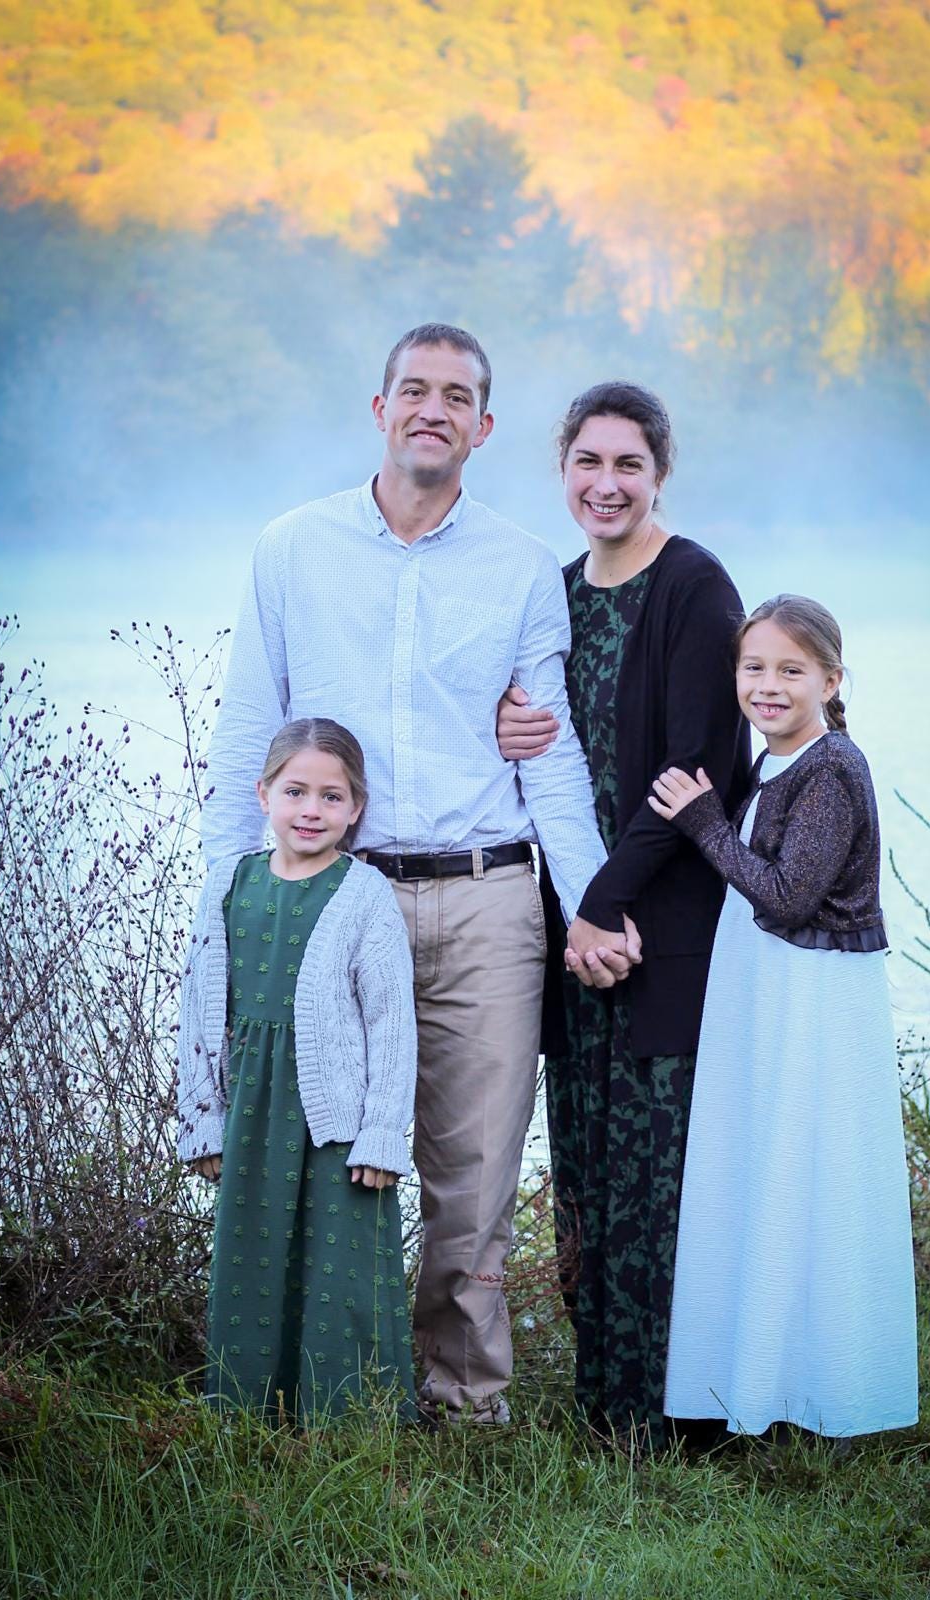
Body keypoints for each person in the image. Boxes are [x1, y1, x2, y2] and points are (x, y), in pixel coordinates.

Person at [200, 325, 632, 1424]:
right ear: (380, 407)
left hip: (488, 899)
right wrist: (223, 913)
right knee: (322, 1151)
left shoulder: (521, 566)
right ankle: (326, 1389)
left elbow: (551, 760)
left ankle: (465, 1401)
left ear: (483, 427)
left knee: (475, 1170)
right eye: (414, 390)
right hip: (339, 900)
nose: (432, 409)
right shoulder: (292, 550)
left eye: (456, 396)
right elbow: (247, 735)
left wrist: (591, 905)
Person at [497, 383, 750, 1445]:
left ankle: (683, 1416)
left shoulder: (695, 587)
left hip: (663, 930)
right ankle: (605, 1405)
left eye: (628, 465)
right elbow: (538, 753)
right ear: (562, 469)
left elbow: (699, 769)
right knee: (587, 1168)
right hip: (578, 931)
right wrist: (502, 728)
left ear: (660, 473)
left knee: (663, 1176)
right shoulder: (555, 594)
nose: (606, 484)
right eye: (587, 462)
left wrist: (602, 903)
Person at [652, 595, 918, 1439]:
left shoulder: (830, 767)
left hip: (812, 999)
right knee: (767, 1167)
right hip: (770, 989)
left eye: (791, 670)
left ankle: (824, 1388)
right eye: (754, 667)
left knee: (809, 1170)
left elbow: (789, 894)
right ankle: (759, 1378)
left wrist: (702, 823)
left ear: (831, 681)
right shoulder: (777, 762)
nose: (768, 686)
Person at [177, 718, 419, 1422]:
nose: (312, 810)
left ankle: (349, 1423)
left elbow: (391, 1023)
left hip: (335, 1119)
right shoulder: (229, 884)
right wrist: (203, 1120)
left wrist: (382, 1134)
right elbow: (199, 1008)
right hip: (252, 1110)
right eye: (295, 792)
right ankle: (249, 1417)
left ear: (356, 807)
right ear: (263, 794)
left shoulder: (364, 895)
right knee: (252, 1259)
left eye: (332, 796)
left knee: (342, 1268)